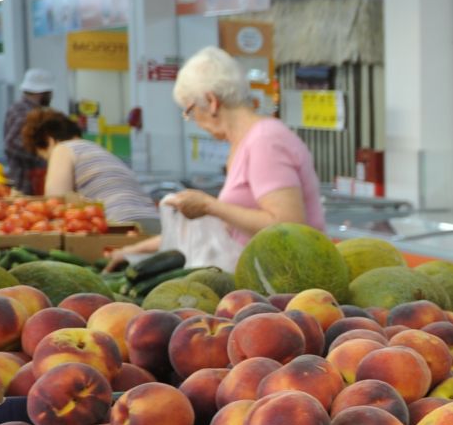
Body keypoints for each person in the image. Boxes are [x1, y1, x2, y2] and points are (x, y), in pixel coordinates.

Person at [109, 47, 324, 263]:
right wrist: (135, 250)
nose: (194, 121)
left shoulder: (264, 141)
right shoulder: (245, 143)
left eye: (190, 111)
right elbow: (226, 225)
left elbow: (288, 224)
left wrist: (210, 206)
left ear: (211, 101)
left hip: (287, 280)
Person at [23, 110, 160, 232]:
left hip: (121, 226)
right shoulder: (97, 149)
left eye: (45, 157)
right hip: (157, 226)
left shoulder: (62, 149)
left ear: (49, 140)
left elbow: (55, 204)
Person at [2, 69, 55, 194]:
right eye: (50, 92)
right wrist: (44, 155)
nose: (51, 96)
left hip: (25, 180)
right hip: (26, 182)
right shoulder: (27, 112)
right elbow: (12, 144)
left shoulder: (19, 108)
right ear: (42, 93)